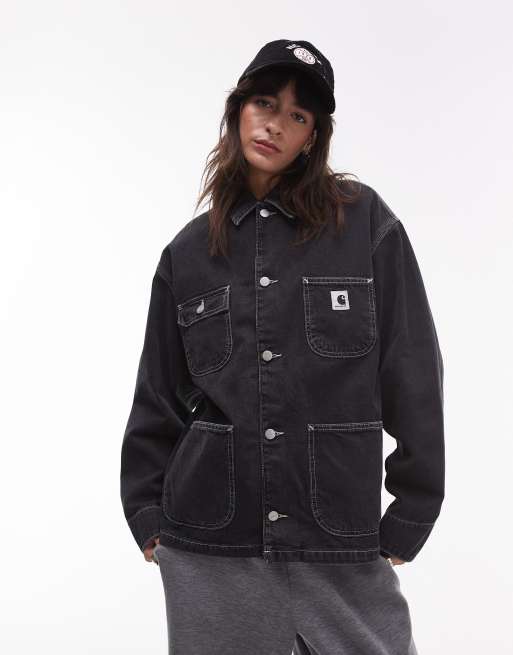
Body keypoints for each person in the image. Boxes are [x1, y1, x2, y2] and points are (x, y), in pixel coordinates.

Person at [120, 39, 444, 655]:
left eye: (297, 115)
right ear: (238, 110)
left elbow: (413, 366)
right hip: (211, 542)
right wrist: (147, 517)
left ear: (312, 137)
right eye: (265, 103)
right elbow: (156, 395)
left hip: (338, 537)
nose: (275, 124)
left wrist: (413, 508)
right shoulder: (187, 254)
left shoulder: (364, 224)